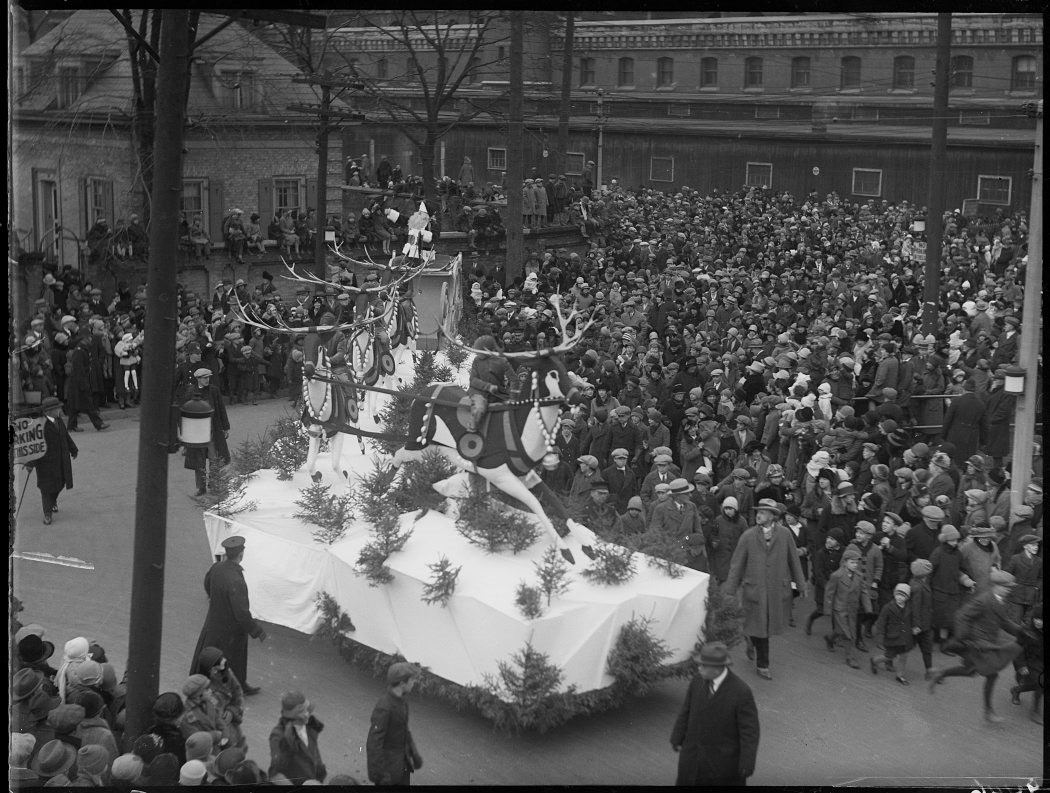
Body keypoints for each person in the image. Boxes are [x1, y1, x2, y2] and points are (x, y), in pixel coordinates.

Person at [725, 499, 807, 680]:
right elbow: (737, 564)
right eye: (758, 511)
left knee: (764, 627)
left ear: (772, 516)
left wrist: (801, 585)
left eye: (763, 512)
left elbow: (794, 560)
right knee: (761, 628)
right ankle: (763, 665)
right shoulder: (748, 536)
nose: (758, 515)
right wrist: (730, 589)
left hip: (776, 591)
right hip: (754, 590)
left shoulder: (785, 535)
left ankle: (750, 638)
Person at [928, 569, 1023, 724]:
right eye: (1006, 587)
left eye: (1010, 588)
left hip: (986, 643)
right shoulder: (984, 600)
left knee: (970, 671)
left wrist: (1023, 632)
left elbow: (1005, 622)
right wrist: (964, 637)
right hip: (977, 644)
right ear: (996, 586)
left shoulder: (999, 600)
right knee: (992, 674)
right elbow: (961, 615)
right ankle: (988, 711)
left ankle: (940, 674)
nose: (1009, 590)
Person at [669, 642, 759, 786]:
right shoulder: (697, 682)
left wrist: (747, 762)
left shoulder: (741, 692)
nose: (699, 668)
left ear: (717, 669)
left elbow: (749, 731)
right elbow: (686, 710)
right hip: (693, 759)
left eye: (703, 665)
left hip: (722, 766)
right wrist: (677, 736)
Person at [190, 536, 267, 696]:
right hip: (232, 627)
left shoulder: (217, 567)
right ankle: (236, 687)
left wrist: (215, 599)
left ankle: (203, 681)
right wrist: (256, 630)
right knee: (235, 657)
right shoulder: (236, 580)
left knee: (210, 650)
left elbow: (207, 583)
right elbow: (241, 612)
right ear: (241, 554)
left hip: (214, 619)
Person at [367, 662, 423, 786]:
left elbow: (404, 731)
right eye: (412, 680)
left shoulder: (402, 703)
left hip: (402, 767)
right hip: (387, 773)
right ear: (402, 684)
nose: (413, 683)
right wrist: (380, 775)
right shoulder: (384, 707)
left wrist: (414, 755)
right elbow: (373, 743)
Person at [24, 396, 79, 525]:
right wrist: (30, 464)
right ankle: (47, 514)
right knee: (46, 489)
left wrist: (73, 449)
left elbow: (66, 436)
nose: (60, 409)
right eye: (58, 408)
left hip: (60, 461)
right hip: (45, 464)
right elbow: (35, 446)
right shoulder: (40, 425)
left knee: (60, 484)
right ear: (49, 411)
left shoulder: (59, 421)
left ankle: (53, 501)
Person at [182, 367, 230, 496]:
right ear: (198, 379)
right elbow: (186, 413)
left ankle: (213, 483)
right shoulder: (191, 391)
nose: (207, 380)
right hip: (197, 433)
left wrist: (225, 427)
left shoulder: (214, 390)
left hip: (212, 430)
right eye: (204, 378)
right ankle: (201, 487)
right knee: (199, 461)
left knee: (215, 458)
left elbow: (221, 408)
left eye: (208, 377)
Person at [268, 691, 327, 784]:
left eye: (307, 709)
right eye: (301, 711)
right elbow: (276, 773)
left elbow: (313, 752)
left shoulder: (309, 724)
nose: (307, 714)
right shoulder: (279, 736)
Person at [870, 583, 918, 685]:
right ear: (894, 594)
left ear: (907, 597)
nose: (900, 598)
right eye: (898, 594)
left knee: (904, 656)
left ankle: (899, 676)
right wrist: (880, 635)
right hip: (892, 637)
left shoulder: (909, 607)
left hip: (905, 638)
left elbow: (912, 618)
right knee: (889, 656)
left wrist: (915, 627)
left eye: (903, 596)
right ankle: (874, 661)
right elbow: (881, 622)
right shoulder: (888, 607)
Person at [466, 335, 515, 434]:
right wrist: (487, 387)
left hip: (498, 393)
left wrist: (513, 396)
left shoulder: (502, 361)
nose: (477, 353)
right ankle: (472, 430)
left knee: (513, 409)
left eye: (479, 350)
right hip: (478, 392)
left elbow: (514, 379)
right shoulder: (477, 361)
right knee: (479, 408)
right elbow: (473, 380)